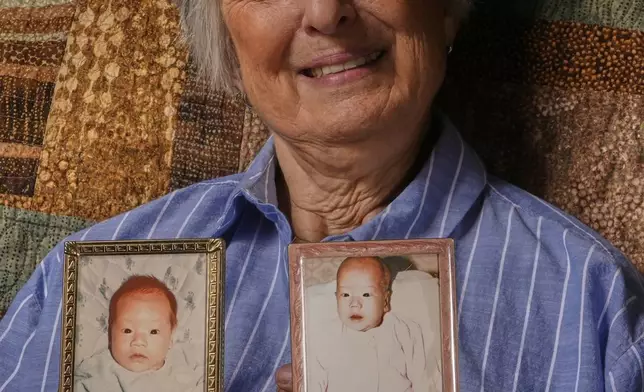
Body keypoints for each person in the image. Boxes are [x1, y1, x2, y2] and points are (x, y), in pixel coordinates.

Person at [0, 0, 642, 390]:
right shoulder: (82, 278)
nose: (326, 12)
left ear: (443, 8)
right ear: (227, 38)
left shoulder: (592, 301)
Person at [308, 256, 437, 392]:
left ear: (385, 301)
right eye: (345, 295)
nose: (354, 304)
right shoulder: (325, 336)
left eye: (366, 294)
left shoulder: (404, 331)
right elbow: (313, 382)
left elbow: (422, 380)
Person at [73, 275, 202, 392]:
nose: (138, 341)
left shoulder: (180, 374)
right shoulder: (97, 368)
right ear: (111, 333)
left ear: (171, 338)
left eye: (153, 331)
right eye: (127, 330)